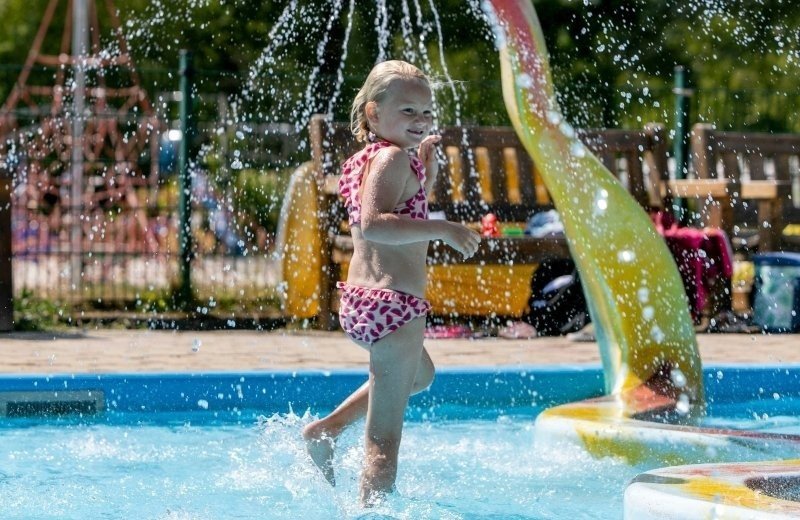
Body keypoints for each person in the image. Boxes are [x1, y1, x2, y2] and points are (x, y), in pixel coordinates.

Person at [302, 60, 481, 505]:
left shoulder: (371, 159)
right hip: (394, 305)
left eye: (425, 112)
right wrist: (444, 228)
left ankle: (328, 429)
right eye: (408, 111)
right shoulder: (391, 157)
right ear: (373, 114)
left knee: (419, 375)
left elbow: (399, 210)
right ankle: (371, 512)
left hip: (365, 303)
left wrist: (427, 175)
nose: (420, 121)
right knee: (384, 443)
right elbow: (376, 224)